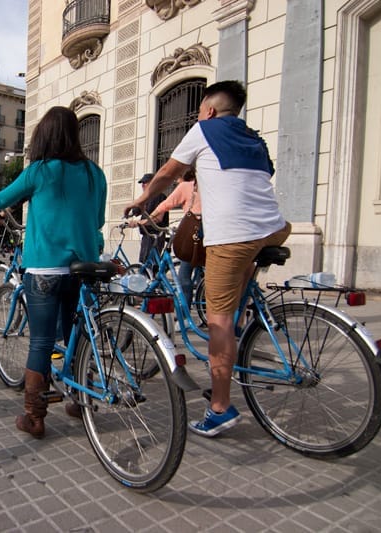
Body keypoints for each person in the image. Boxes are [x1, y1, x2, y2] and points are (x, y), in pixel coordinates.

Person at [125, 80, 290, 437]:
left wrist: (141, 201)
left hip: (233, 235)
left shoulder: (205, 130)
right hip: (275, 228)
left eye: (200, 110)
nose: (198, 115)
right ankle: (240, 332)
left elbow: (167, 173)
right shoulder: (253, 138)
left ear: (210, 110)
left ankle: (220, 408)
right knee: (237, 288)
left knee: (219, 323)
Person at [0, 106, 107, 439]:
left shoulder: (40, 171)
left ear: (44, 135)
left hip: (45, 268)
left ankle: (35, 418)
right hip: (85, 268)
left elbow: (3, 198)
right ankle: (81, 400)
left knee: (42, 341)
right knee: (79, 336)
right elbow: (99, 220)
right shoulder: (95, 173)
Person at [138, 168, 201, 302]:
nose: (176, 182)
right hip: (212, 233)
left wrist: (144, 221)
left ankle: (185, 310)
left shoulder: (185, 186)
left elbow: (164, 206)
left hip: (194, 234)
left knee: (184, 277)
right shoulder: (204, 185)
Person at [137, 173, 167, 263]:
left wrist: (139, 223)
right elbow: (136, 210)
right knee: (144, 263)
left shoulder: (159, 196)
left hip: (154, 235)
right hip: (147, 235)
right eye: (142, 183)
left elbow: (157, 218)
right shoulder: (147, 199)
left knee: (149, 264)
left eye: (145, 183)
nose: (142, 185)